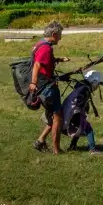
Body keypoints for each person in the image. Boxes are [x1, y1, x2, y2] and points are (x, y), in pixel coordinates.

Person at [30, 21, 70, 155]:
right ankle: (56, 150)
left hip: (45, 86)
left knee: (54, 116)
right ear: (53, 34)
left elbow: (44, 61)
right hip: (46, 87)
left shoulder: (40, 45)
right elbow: (37, 65)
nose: (60, 38)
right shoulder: (45, 48)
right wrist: (33, 83)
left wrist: (58, 60)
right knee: (58, 117)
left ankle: (40, 141)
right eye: (59, 35)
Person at [62, 70, 103, 155]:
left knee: (79, 127)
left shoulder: (82, 85)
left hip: (69, 110)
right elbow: (79, 100)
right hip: (73, 111)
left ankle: (72, 146)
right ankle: (93, 149)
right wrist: (82, 113)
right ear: (94, 82)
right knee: (88, 128)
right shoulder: (85, 89)